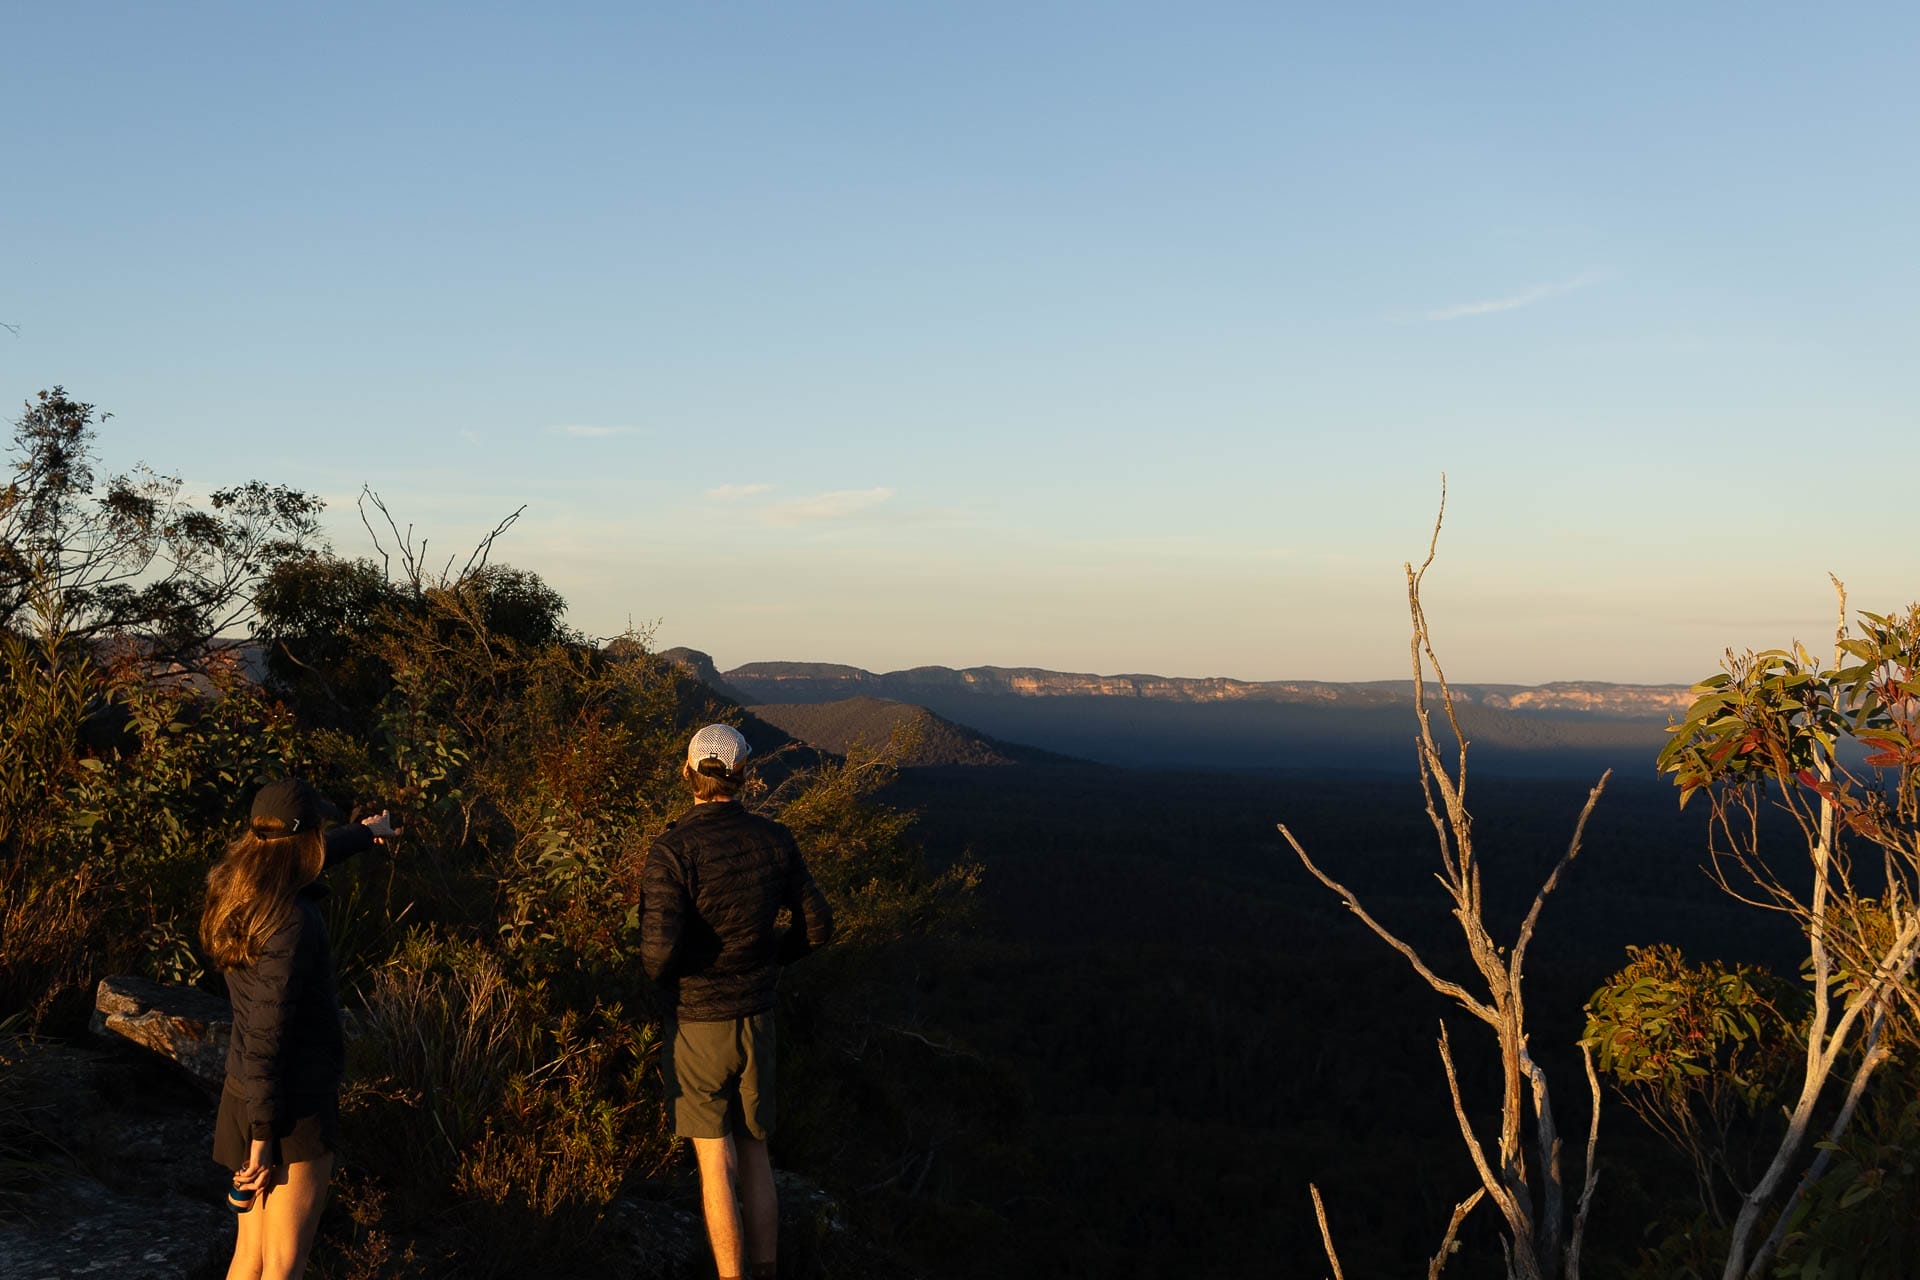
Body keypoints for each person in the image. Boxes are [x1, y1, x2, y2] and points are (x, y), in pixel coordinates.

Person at [642, 724, 835, 1280]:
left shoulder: (672, 850)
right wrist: (770, 956)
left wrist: (688, 978)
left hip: (698, 1024)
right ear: (744, 773)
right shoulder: (776, 839)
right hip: (758, 1016)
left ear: (689, 774)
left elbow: (657, 956)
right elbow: (819, 926)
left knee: (713, 1162)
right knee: (756, 1154)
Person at [201, 777, 395, 1280]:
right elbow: (271, 1036)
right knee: (284, 1266)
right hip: (290, 1109)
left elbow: (298, 858)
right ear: (303, 838)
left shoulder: (235, 886)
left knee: (250, 1257)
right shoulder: (291, 921)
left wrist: (364, 833)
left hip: (244, 1094)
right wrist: (266, 1140)